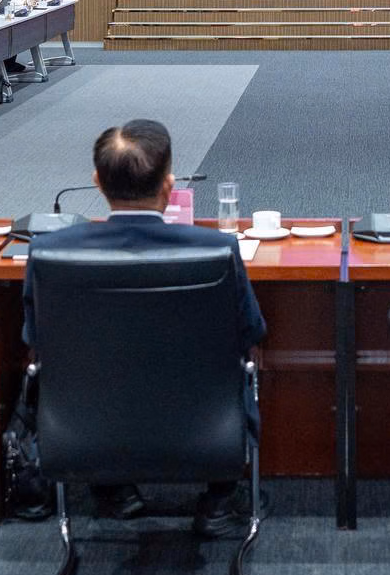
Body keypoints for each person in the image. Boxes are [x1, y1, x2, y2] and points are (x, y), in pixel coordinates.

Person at [26, 119, 265, 538]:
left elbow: (35, 339)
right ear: (169, 186)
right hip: (207, 427)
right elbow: (251, 333)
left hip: (83, 428)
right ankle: (218, 500)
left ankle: (112, 487)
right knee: (242, 363)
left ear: (97, 182)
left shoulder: (49, 251)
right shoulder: (218, 249)